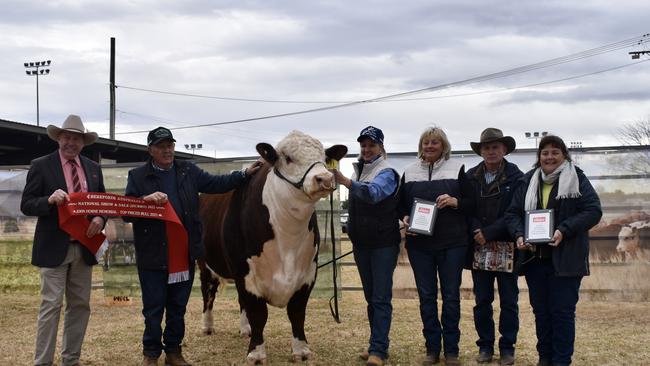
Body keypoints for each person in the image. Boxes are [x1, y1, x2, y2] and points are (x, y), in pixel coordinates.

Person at [124, 127, 262, 366]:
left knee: (178, 307)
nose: (167, 150)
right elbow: (127, 212)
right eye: (161, 146)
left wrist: (244, 174)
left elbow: (217, 183)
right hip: (153, 254)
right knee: (154, 308)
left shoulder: (187, 170)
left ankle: (174, 352)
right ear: (151, 150)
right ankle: (151, 354)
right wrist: (143, 202)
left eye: (170, 145)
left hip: (183, 252)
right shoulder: (137, 176)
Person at [505, 135, 602, 366]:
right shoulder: (528, 180)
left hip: (566, 260)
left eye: (555, 152)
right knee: (541, 312)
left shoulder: (576, 178)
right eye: (545, 152)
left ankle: (561, 361)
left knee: (562, 313)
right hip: (534, 260)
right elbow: (513, 213)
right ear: (539, 157)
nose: (549, 157)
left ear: (564, 155)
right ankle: (544, 358)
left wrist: (563, 230)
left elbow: (593, 210)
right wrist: (519, 234)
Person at [21, 115, 106, 366]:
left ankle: (71, 360)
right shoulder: (41, 165)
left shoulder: (93, 168)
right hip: (53, 248)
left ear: (83, 142)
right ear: (59, 138)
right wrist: (48, 200)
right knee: (51, 306)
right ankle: (43, 362)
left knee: (80, 306)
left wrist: (101, 218)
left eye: (77, 138)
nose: (71, 142)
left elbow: (102, 203)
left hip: (84, 248)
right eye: (67, 137)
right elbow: (27, 204)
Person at [399, 126, 473, 366]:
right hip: (420, 246)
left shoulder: (458, 169)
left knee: (451, 297)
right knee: (427, 297)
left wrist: (455, 201)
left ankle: (451, 350)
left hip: (453, 244)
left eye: (435, 143)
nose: (430, 146)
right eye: (426, 142)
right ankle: (432, 348)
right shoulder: (409, 173)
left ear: (444, 146)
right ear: (421, 146)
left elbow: (472, 203)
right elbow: (399, 205)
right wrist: (405, 218)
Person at [332, 126, 400, 366]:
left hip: (383, 243)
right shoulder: (361, 170)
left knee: (380, 298)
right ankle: (377, 343)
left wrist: (346, 182)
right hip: (363, 243)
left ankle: (379, 351)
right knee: (372, 297)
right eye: (363, 145)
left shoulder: (387, 172)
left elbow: (375, 194)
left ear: (381, 147)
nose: (367, 149)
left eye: (371, 145)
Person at [465, 128, 523, 365]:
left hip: (508, 245)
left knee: (509, 300)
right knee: (482, 300)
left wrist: (488, 232)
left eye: (495, 147)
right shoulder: (469, 177)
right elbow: (467, 209)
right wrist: (476, 230)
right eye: (486, 148)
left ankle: (507, 347)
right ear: (480, 151)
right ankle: (485, 346)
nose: (490, 151)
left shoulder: (518, 178)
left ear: (504, 150)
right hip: (479, 247)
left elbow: (515, 211)